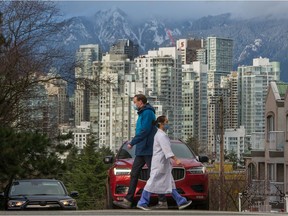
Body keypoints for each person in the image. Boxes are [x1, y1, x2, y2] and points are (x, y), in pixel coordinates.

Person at [113, 94, 167, 209]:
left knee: (154, 175)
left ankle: (162, 201)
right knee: (134, 174)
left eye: (135, 102)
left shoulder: (148, 113)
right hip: (142, 150)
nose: (134, 104)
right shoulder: (143, 113)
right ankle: (128, 200)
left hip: (148, 148)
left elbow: (145, 130)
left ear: (141, 102)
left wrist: (133, 142)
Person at [136, 115, 192, 210]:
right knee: (152, 182)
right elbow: (167, 150)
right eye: (166, 122)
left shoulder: (160, 135)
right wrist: (176, 159)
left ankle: (181, 201)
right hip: (159, 164)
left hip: (163, 164)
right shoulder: (161, 136)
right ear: (161, 124)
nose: (167, 124)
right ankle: (142, 202)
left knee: (169, 183)